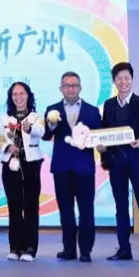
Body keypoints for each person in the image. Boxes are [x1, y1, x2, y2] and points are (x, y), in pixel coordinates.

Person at [100, 61, 139, 262]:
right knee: (120, 207)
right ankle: (124, 249)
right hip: (116, 163)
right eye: (119, 78)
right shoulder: (109, 105)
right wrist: (103, 153)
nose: (123, 82)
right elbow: (104, 133)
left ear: (132, 80)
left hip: (137, 161)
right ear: (114, 81)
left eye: (127, 78)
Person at [46, 70, 101, 262]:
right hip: (61, 168)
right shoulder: (52, 110)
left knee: (86, 210)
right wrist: (51, 126)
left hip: (84, 168)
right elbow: (46, 135)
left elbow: (99, 137)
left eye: (74, 85)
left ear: (80, 88)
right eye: (67, 85)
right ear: (61, 88)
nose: (70, 88)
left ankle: (85, 250)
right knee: (65, 210)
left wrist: (102, 148)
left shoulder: (92, 111)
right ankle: (69, 249)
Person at [0, 82, 45, 261]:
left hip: (31, 164)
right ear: (11, 98)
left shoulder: (36, 117)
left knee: (31, 206)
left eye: (22, 93)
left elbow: (42, 132)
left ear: (28, 96)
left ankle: (30, 248)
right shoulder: (4, 119)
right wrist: (7, 147)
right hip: (10, 165)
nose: (18, 97)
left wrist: (30, 129)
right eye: (15, 94)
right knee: (14, 206)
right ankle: (15, 247)